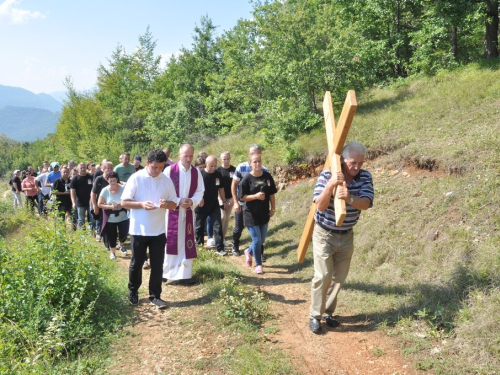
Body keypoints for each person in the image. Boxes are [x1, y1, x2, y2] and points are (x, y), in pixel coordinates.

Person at [308, 141, 374, 334]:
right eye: (353, 163)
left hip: (346, 236)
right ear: (343, 160)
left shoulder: (364, 177)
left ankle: (328, 313)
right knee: (323, 275)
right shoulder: (327, 174)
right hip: (324, 233)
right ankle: (315, 315)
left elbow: (367, 203)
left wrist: (350, 198)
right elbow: (319, 205)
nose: (357, 167)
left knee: (338, 278)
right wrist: (331, 185)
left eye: (360, 163)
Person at [121, 149, 178, 309]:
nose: (158, 170)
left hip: (158, 231)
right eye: (155, 167)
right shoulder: (136, 178)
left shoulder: (166, 180)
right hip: (139, 230)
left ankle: (155, 295)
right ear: (147, 163)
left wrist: (165, 204)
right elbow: (124, 202)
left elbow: (174, 204)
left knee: (157, 265)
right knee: (136, 263)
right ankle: (133, 290)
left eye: (161, 167)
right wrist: (141, 204)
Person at [162, 144, 204, 285]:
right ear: (179, 154)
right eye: (186, 155)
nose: (188, 158)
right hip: (172, 213)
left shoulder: (196, 172)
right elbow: (164, 191)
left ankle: (184, 275)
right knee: (170, 241)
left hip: (187, 213)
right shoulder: (169, 171)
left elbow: (200, 191)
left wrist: (192, 201)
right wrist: (179, 201)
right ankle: (166, 272)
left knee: (186, 242)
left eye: (191, 156)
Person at [239, 153, 277, 274]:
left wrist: (273, 209)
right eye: (254, 162)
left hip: (264, 213)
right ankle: (258, 265)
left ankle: (248, 251)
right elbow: (241, 197)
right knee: (256, 240)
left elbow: (271, 193)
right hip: (250, 214)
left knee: (262, 239)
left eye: (259, 161)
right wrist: (255, 196)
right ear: (250, 163)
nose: (257, 164)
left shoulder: (267, 176)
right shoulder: (246, 179)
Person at [231, 144, 268, 257]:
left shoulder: (264, 169)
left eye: (257, 153)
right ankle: (235, 244)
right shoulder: (241, 167)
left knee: (259, 228)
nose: (255, 155)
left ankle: (259, 253)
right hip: (242, 203)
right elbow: (233, 185)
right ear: (249, 154)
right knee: (239, 226)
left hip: (257, 206)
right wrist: (236, 203)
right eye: (252, 153)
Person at [195, 155, 227, 256]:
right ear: (206, 164)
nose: (213, 168)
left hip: (214, 204)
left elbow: (221, 188)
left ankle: (220, 248)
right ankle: (199, 246)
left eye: (215, 165)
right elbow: (195, 189)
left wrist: (224, 201)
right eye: (211, 166)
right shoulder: (200, 174)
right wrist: (200, 198)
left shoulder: (218, 174)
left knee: (218, 225)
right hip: (202, 204)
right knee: (199, 227)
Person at [98, 171, 130, 260]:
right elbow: (100, 204)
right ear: (107, 180)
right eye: (110, 181)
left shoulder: (123, 188)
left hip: (123, 216)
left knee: (124, 232)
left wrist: (122, 204)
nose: (112, 183)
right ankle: (113, 252)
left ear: (117, 180)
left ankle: (121, 244)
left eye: (114, 181)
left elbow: (129, 199)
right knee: (112, 235)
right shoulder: (105, 190)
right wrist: (110, 206)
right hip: (110, 218)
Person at [217, 151, 236, 249]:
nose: (226, 161)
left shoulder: (234, 170)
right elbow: (216, 187)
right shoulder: (218, 170)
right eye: (224, 159)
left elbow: (237, 185)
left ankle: (223, 239)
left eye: (228, 159)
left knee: (227, 219)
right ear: (221, 160)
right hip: (220, 198)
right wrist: (222, 200)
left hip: (231, 198)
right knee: (222, 217)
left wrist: (233, 199)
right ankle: (217, 238)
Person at [70, 162, 93, 230]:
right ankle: (82, 234)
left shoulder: (91, 177)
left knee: (92, 218)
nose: (83, 169)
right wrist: (73, 202)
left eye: (84, 167)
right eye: (81, 168)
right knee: (81, 220)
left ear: (86, 168)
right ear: (78, 169)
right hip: (80, 202)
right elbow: (72, 191)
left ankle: (92, 233)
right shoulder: (75, 178)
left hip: (90, 202)